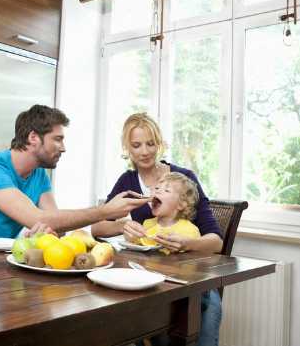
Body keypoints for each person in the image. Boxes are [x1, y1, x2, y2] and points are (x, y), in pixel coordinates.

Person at [91, 112, 223, 346]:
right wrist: (123, 226)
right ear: (127, 148)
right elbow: (97, 228)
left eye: (150, 143)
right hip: (150, 278)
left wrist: (187, 243)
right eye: (136, 145)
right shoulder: (128, 181)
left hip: (190, 279)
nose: (144, 151)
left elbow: (216, 241)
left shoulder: (183, 178)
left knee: (208, 305)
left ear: (159, 143)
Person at [0, 105, 149, 245]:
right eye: (57, 139)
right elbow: (38, 218)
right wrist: (104, 211)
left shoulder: (39, 175)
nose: (63, 148)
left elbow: (55, 227)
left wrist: (46, 231)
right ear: (33, 137)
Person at [132, 172, 202, 255]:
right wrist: (130, 236)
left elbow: (196, 258)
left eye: (167, 190)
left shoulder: (190, 231)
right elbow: (136, 244)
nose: (157, 192)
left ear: (180, 204)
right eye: (157, 188)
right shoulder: (147, 224)